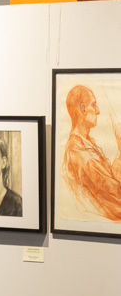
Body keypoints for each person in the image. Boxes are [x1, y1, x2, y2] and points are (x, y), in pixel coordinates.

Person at [62, 84, 121, 220]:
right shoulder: (81, 153)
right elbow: (115, 194)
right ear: (83, 109)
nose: (98, 111)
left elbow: (106, 178)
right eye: (94, 105)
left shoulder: (86, 144)